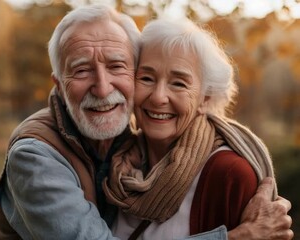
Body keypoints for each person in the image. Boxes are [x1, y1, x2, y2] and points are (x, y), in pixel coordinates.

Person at [0, 4, 293, 240]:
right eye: (82, 70)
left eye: (116, 66)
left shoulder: (228, 173)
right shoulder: (36, 157)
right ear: (58, 84)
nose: (102, 87)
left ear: (204, 99)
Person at [103, 17, 292, 240]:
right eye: (146, 78)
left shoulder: (229, 174)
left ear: (205, 99)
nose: (158, 97)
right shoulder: (115, 164)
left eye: (179, 83)